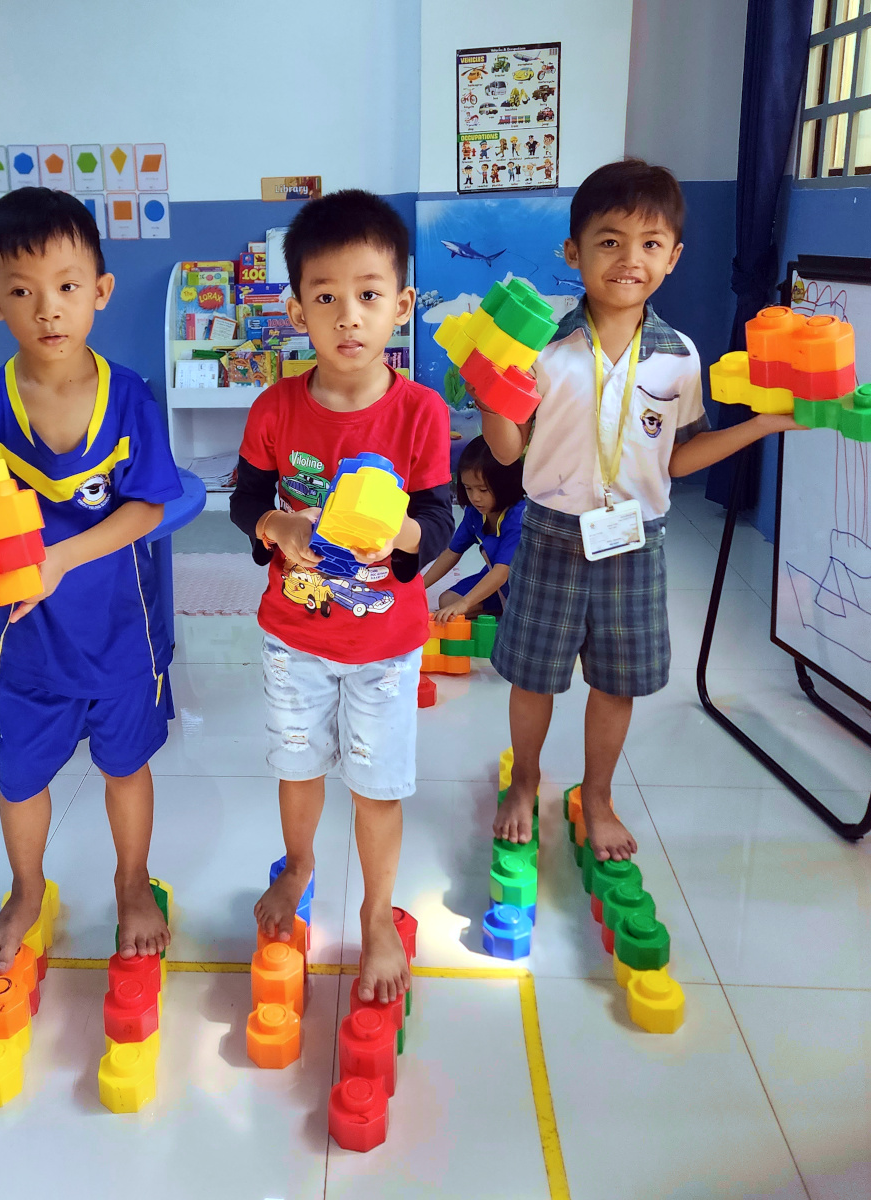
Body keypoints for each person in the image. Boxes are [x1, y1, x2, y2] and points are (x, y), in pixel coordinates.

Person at [480, 159, 804, 862]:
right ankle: (525, 779)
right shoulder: (543, 348)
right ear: (574, 251)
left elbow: (678, 458)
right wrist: (490, 396)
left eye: (650, 243)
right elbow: (506, 452)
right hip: (549, 534)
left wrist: (763, 424)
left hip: (634, 539)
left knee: (616, 681)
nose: (630, 259)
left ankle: (598, 796)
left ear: (673, 257)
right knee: (533, 676)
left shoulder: (679, 357)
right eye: (609, 241)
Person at [0, 188, 181, 971]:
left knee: (125, 768)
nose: (48, 308)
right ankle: (25, 890)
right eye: (22, 292)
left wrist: (61, 558)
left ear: (101, 290)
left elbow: (150, 507)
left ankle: (131, 884)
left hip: (122, 637)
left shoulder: (129, 399)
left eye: (66, 286)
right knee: (22, 778)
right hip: (29, 645)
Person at [230, 190, 453, 1003]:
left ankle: (377, 914)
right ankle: (298, 868)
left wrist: (396, 534)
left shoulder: (421, 412)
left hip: (385, 648)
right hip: (295, 636)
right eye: (325, 298)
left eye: (368, 294)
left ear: (402, 304)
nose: (348, 316)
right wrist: (276, 526)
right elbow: (244, 500)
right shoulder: (274, 408)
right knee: (298, 768)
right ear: (297, 311)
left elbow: (437, 519)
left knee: (377, 785)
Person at [423, 435, 525, 623]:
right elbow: (451, 552)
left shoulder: (518, 517)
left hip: (522, 585)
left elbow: (502, 572)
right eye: (468, 488)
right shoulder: (474, 513)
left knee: (459, 607)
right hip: (494, 579)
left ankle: (506, 611)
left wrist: (465, 604)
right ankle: (499, 607)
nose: (475, 497)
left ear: (505, 484)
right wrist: (418, 587)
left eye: (483, 490)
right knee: (447, 602)